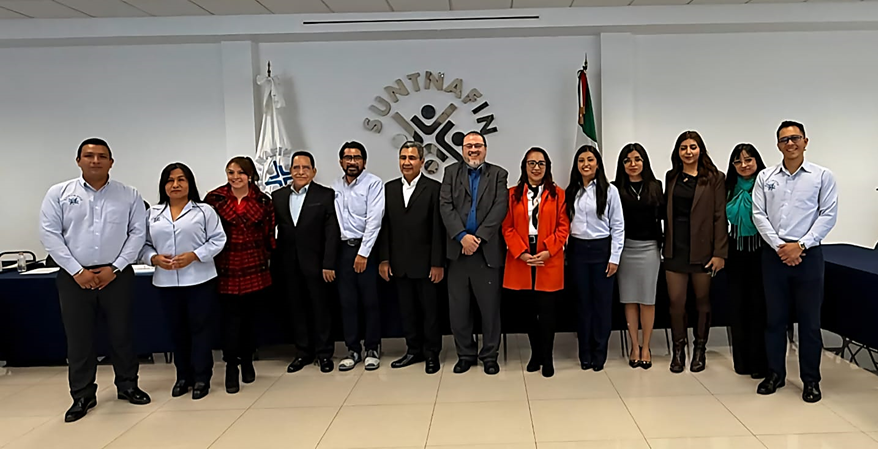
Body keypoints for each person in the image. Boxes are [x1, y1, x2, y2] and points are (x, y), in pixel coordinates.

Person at [39, 138, 151, 423]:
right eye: (89, 156)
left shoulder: (129, 194)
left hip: (117, 276)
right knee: (79, 339)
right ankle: (82, 395)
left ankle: (128, 385)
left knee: (122, 334)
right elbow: (50, 234)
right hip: (73, 278)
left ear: (111, 162)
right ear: (78, 161)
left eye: (102, 156)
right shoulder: (59, 193)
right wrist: (77, 271)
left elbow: (137, 234)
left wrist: (116, 267)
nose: (95, 161)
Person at [753, 120, 838, 403]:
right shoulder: (766, 177)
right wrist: (781, 247)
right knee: (774, 320)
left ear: (805, 141)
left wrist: (800, 246)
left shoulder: (822, 176)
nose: (790, 143)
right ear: (778, 145)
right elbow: (759, 214)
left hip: (808, 255)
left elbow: (828, 215)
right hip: (774, 255)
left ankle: (811, 380)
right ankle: (775, 374)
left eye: (795, 138)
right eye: (784, 140)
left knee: (810, 323)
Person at [141, 163, 226, 400]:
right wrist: (154, 258)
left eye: (181, 180)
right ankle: (183, 377)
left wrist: (195, 255)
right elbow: (143, 245)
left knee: (200, 330)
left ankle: (202, 377)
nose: (175, 185)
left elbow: (218, 240)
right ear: (163, 185)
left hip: (199, 280)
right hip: (166, 282)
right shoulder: (153, 213)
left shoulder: (204, 211)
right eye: (170, 180)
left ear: (190, 183)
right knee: (177, 331)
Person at [439, 131, 509, 375]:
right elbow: (445, 206)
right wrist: (462, 236)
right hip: (458, 252)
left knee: (490, 310)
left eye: (478, 145)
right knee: (459, 309)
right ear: (462, 150)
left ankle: (490, 355)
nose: (473, 149)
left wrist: (478, 238)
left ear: (485, 149)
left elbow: (500, 207)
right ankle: (465, 355)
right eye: (468, 146)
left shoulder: (499, 174)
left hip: (485, 251)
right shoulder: (450, 173)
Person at [204, 157, 275, 394]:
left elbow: (269, 235)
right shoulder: (214, 199)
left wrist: (264, 257)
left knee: (250, 320)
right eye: (231, 172)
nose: (235, 177)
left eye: (240, 173)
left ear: (250, 175)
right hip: (226, 265)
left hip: (254, 266)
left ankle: (247, 360)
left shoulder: (264, 201)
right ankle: (231, 366)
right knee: (230, 321)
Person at [378, 141, 445, 374]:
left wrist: (437, 263)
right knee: (407, 311)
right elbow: (384, 227)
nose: (407, 162)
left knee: (430, 312)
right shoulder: (388, 188)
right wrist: (384, 259)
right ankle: (413, 350)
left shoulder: (434, 188)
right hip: (399, 263)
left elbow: (438, 229)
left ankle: (431, 353)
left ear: (422, 162)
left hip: (426, 264)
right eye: (403, 158)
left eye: (412, 158)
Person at [663, 131, 728, 374]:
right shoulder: (671, 176)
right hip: (675, 248)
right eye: (683, 148)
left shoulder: (714, 178)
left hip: (703, 249)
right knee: (676, 302)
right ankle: (678, 349)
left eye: (693, 147)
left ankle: (700, 348)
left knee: (702, 301)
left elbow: (720, 216)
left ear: (700, 149)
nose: (688, 152)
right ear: (677, 152)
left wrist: (719, 252)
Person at [501, 147, 568, 378]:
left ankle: (547, 357)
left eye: (541, 163)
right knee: (528, 312)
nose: (536, 168)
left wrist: (548, 250)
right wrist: (520, 252)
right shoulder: (512, 195)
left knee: (547, 312)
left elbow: (563, 227)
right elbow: (507, 227)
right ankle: (535, 354)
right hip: (522, 256)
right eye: (532, 163)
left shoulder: (559, 194)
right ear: (524, 167)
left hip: (548, 256)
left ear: (547, 167)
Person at [272, 151, 339, 374]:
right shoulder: (278, 196)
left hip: (317, 264)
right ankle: (303, 352)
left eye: (305, 168)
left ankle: (324, 353)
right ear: (290, 171)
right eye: (296, 168)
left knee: (321, 309)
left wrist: (329, 263)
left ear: (313, 171)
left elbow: (332, 233)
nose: (300, 172)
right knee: (296, 309)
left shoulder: (325, 195)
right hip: (288, 264)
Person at [565, 145, 624, 372]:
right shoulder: (571, 191)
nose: (586, 164)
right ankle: (585, 353)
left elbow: (618, 226)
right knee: (582, 304)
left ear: (597, 163)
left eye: (590, 159)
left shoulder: (610, 191)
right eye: (581, 160)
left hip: (602, 250)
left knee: (602, 305)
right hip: (578, 251)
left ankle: (600, 352)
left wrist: (614, 257)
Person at [333, 141, 386, 371]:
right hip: (343, 250)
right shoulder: (335, 186)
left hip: (367, 249)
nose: (352, 162)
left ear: (364, 161)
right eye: (348, 157)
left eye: (356, 158)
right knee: (347, 303)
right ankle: (352, 349)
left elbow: (374, 221)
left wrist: (363, 253)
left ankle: (372, 348)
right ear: (341, 162)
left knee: (370, 302)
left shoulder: (373, 183)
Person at [613, 143, 663, 370]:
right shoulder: (615, 189)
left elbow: (664, 218)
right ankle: (634, 346)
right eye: (627, 160)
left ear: (644, 162)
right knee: (629, 299)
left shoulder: (655, 186)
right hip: (625, 250)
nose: (632, 164)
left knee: (647, 299)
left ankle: (646, 347)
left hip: (649, 249)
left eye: (637, 159)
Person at [724, 144, 769, 379]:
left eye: (748, 160)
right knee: (737, 307)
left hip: (762, 251)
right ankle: (742, 362)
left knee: (759, 308)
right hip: (735, 251)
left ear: (757, 161)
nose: (744, 165)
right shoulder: (728, 187)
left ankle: (760, 362)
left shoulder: (767, 185)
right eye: (738, 161)